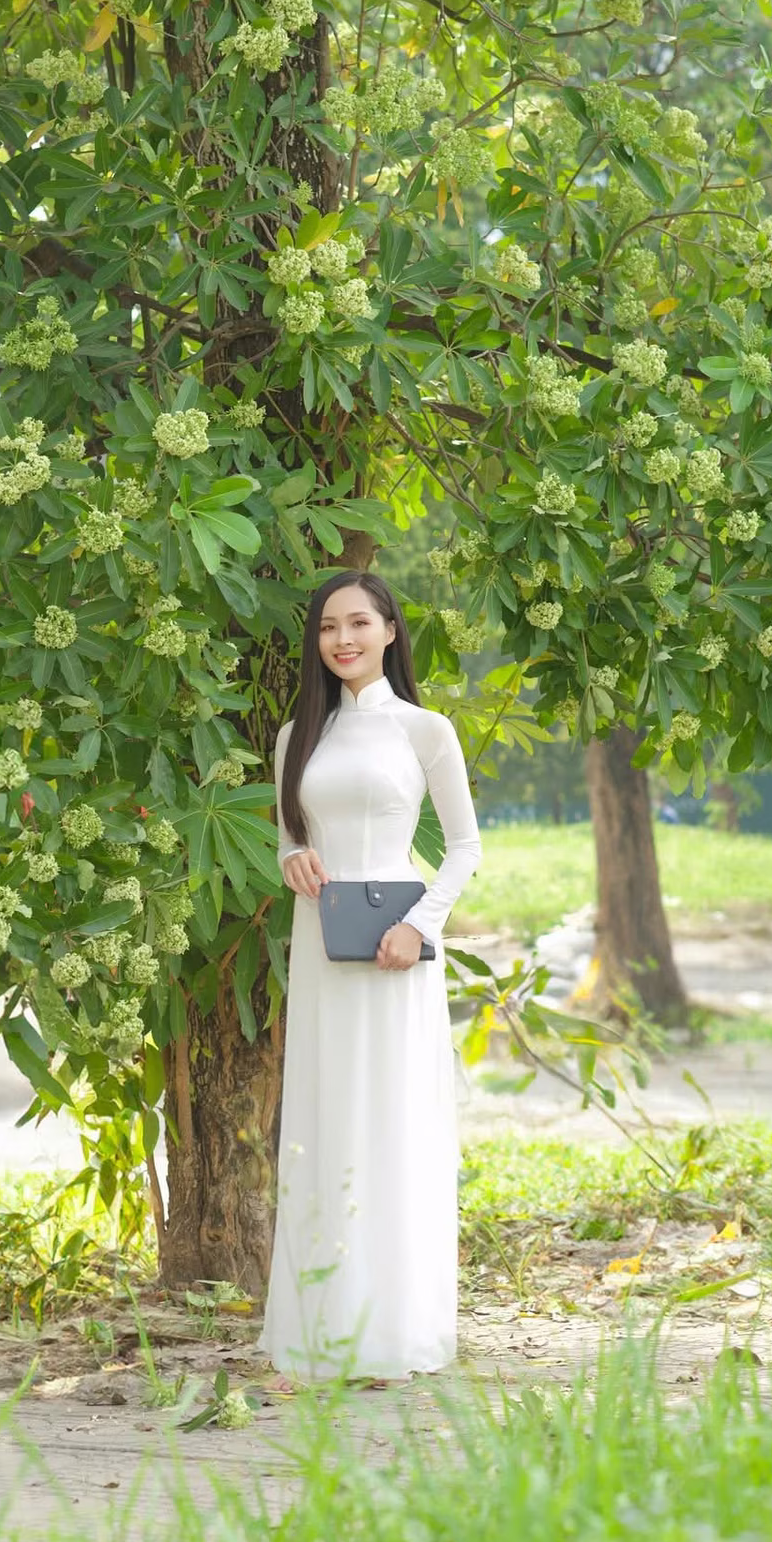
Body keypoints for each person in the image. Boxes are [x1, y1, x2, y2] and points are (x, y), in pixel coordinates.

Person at [255, 570, 483, 1385]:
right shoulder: (297, 737)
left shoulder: (426, 730)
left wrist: (419, 926)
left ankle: (395, 1328)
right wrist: (292, 858)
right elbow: (292, 839)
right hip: (321, 946)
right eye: (327, 627)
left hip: (396, 952)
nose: (342, 639)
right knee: (325, 1118)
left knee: (392, 1122)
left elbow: (464, 847)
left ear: (390, 630)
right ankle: (321, 1330)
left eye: (358, 623)